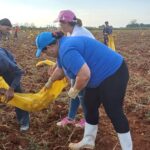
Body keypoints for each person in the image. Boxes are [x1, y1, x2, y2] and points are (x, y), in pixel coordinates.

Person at [35, 31, 133, 150]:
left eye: (44, 51)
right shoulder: (61, 48)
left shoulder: (66, 50)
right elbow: (60, 70)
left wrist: (75, 90)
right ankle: (88, 140)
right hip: (96, 76)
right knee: (89, 106)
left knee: (114, 111)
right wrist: (50, 81)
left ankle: (127, 148)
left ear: (50, 46)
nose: (45, 54)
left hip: (113, 72)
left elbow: (84, 75)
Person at [53, 10, 95, 128]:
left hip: (87, 66)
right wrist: (57, 64)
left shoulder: (78, 34)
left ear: (66, 23)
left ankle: (88, 121)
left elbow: (72, 54)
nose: (60, 26)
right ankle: (71, 118)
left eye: (61, 24)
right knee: (74, 93)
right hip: (81, 64)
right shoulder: (70, 33)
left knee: (80, 93)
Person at [0, 48, 30, 131]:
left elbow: (19, 72)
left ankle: (24, 120)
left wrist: (11, 88)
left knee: (16, 92)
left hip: (8, 68)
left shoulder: (3, 62)